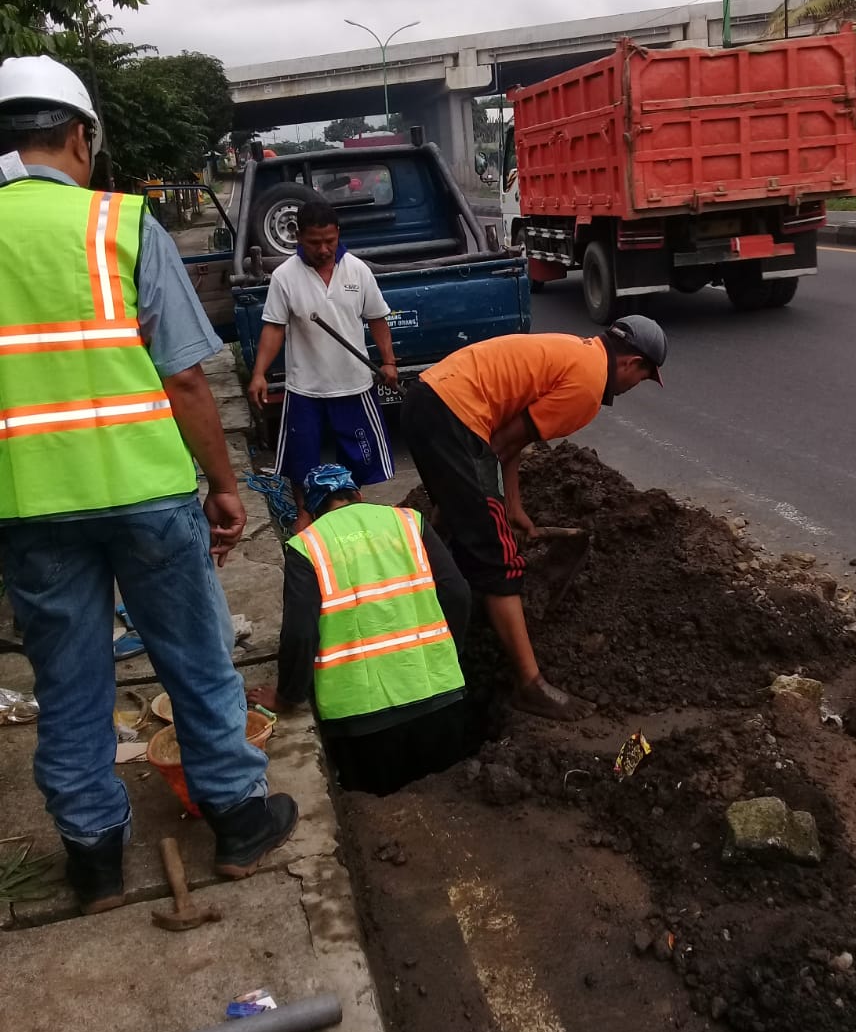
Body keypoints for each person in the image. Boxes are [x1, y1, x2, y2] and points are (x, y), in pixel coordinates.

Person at [0, 55, 298, 914]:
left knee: (70, 681)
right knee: (196, 657)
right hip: (147, 493)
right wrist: (223, 483)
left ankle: (93, 858)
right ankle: (239, 822)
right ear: (79, 138)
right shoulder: (121, 226)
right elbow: (187, 381)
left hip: (28, 506)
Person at [400, 319, 667, 721]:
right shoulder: (588, 386)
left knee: (458, 522)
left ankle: (412, 591)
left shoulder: (576, 351)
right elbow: (499, 445)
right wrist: (495, 516)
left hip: (433, 400)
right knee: (497, 556)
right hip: (453, 416)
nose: (635, 388)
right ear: (631, 363)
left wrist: (512, 505)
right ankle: (529, 684)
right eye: (644, 378)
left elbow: (510, 438)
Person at [247, 464, 471, 797]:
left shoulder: (307, 546)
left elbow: (300, 633)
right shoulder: (409, 522)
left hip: (363, 725)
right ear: (358, 496)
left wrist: (287, 696)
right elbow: (457, 593)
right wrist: (447, 654)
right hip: (441, 703)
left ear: (309, 511)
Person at [248, 198, 399, 531]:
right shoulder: (285, 277)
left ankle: (352, 508)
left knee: (360, 456)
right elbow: (274, 327)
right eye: (315, 242)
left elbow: (377, 318)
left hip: (354, 384)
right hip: (305, 388)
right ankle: (305, 513)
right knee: (301, 459)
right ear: (298, 236)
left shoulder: (357, 270)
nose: (324, 249)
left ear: (338, 234)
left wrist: (388, 362)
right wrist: (259, 373)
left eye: (330, 241)